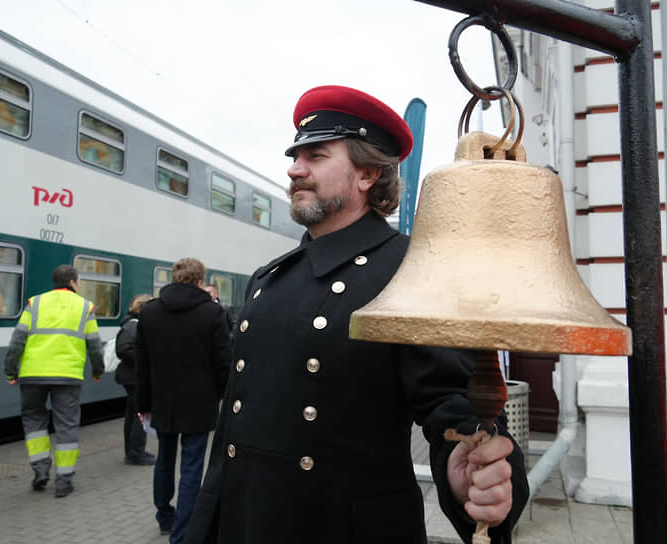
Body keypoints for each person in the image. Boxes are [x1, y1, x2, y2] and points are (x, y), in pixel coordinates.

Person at [184, 85, 529, 544]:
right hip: (244, 524)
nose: (295, 169)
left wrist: (465, 470)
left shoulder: (413, 268)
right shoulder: (269, 277)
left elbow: (453, 403)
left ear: (367, 174)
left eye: (316, 156)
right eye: (295, 156)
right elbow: (233, 432)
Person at [136, 258, 232, 543]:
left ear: (174, 277)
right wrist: (219, 396)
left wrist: (144, 404)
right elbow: (223, 363)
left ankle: (164, 515)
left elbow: (143, 364)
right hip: (199, 403)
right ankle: (182, 532)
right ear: (201, 280)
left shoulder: (150, 312)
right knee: (191, 467)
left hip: (162, 401)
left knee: (164, 460)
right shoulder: (212, 313)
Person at [4, 264, 104, 498]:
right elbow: (95, 346)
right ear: (72, 282)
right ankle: (63, 481)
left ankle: (40, 470)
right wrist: (97, 370)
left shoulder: (35, 303)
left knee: (33, 420)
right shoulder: (85, 307)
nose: (80, 285)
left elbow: (17, 340)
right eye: (79, 281)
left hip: (32, 374)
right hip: (67, 376)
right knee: (66, 425)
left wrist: (10, 371)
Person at [115, 293, 155, 466]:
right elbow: (123, 349)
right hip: (133, 377)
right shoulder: (133, 325)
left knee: (132, 415)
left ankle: (132, 452)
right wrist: (144, 358)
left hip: (131, 376)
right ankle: (136, 453)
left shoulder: (132, 324)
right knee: (141, 415)